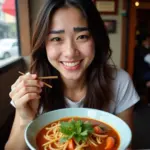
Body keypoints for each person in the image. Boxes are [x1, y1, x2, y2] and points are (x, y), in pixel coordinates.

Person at [5, 0, 139, 149]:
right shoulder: (30, 87)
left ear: (96, 38)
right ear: (43, 45)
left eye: (82, 36)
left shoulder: (119, 81)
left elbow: (126, 145)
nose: (70, 52)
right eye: (56, 39)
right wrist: (24, 119)